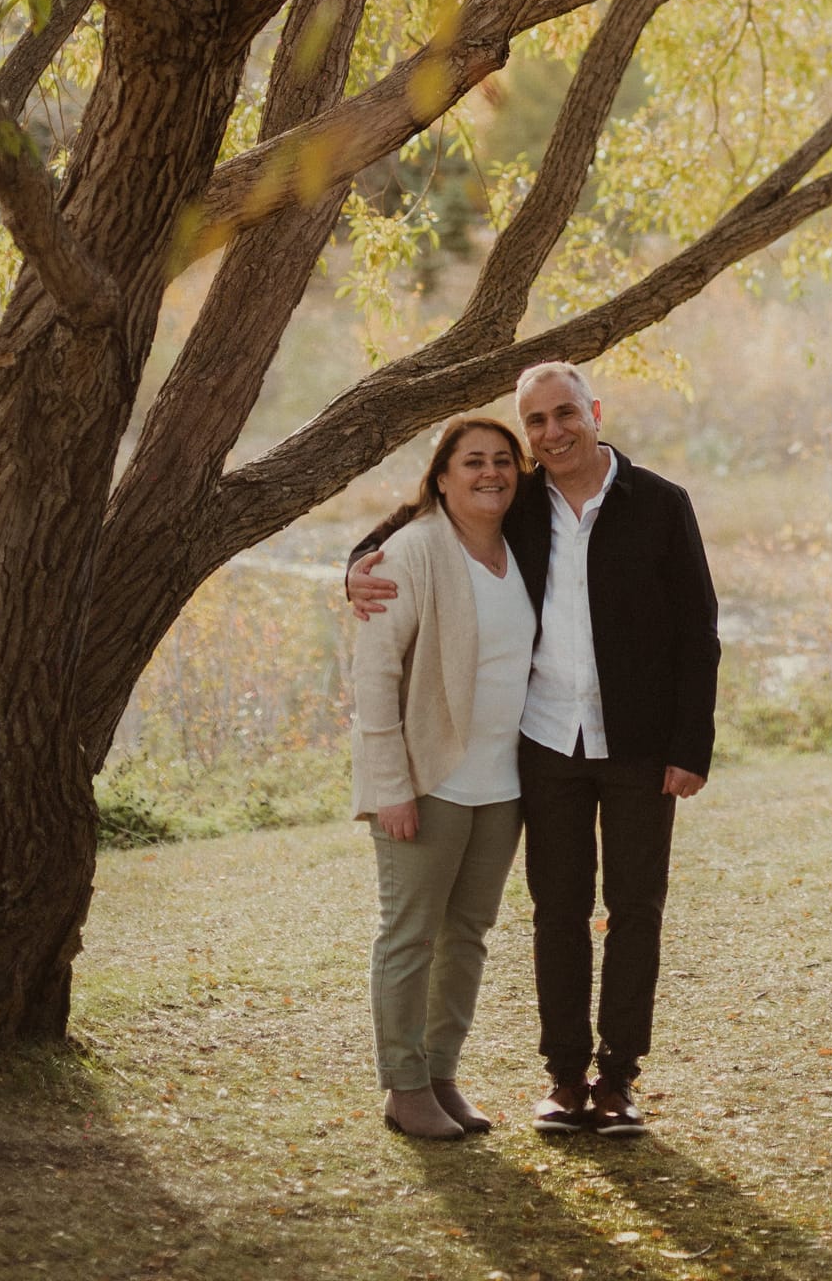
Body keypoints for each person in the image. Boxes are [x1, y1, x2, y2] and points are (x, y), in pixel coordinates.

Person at [348, 361, 719, 1139]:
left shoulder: (659, 505)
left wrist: (691, 744)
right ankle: (563, 1080)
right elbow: (416, 526)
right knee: (556, 912)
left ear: (593, 412)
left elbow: (698, 634)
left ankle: (617, 1079)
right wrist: (353, 567)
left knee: (636, 910)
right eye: (537, 422)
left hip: (640, 747)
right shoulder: (517, 506)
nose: (552, 432)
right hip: (544, 744)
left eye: (564, 415)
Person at [351, 415, 536, 1142]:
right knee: (410, 936)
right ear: (441, 477)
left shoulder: (523, 546)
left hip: (502, 784)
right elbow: (373, 672)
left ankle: (440, 1072)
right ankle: (403, 1086)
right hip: (429, 780)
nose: (490, 473)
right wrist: (390, 783)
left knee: (468, 935)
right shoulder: (415, 550)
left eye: (502, 461)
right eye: (473, 462)